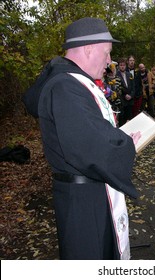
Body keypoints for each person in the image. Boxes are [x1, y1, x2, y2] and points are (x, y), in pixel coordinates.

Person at [22, 17, 141, 260]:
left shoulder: (73, 82)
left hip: (89, 192)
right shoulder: (66, 86)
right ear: (88, 49)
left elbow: (91, 129)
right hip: (84, 201)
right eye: (107, 53)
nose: (109, 62)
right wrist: (125, 144)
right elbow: (88, 145)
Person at [117, 57, 135, 126]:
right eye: (121, 65)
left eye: (123, 65)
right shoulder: (117, 75)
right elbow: (119, 88)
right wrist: (125, 95)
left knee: (130, 118)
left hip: (130, 100)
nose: (122, 67)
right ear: (118, 66)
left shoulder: (129, 74)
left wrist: (131, 95)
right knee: (122, 119)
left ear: (126, 65)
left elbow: (133, 86)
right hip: (122, 101)